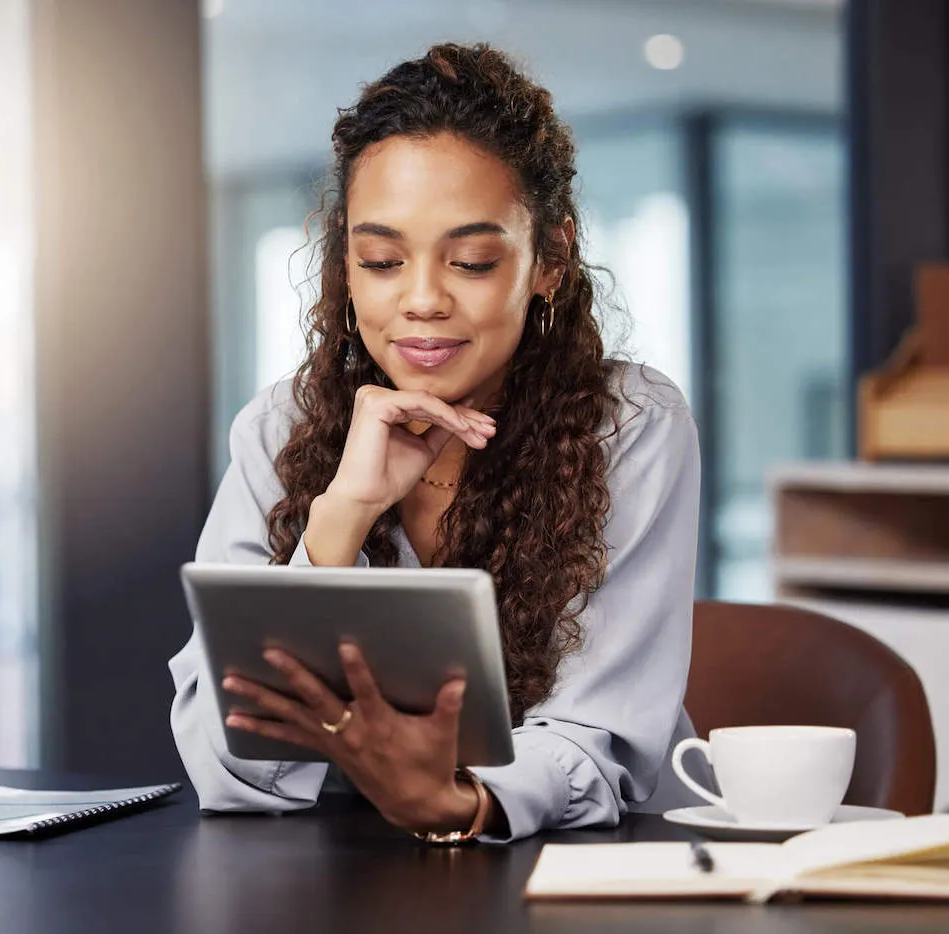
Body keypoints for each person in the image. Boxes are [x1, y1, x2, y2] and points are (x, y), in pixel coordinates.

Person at [169, 42, 701, 843]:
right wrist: (339, 521)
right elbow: (228, 765)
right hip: (354, 883)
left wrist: (460, 804)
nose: (421, 300)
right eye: (382, 260)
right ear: (345, 267)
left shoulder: (629, 424)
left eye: (472, 261)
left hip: (592, 873)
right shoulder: (279, 428)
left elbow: (600, 741)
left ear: (548, 260)